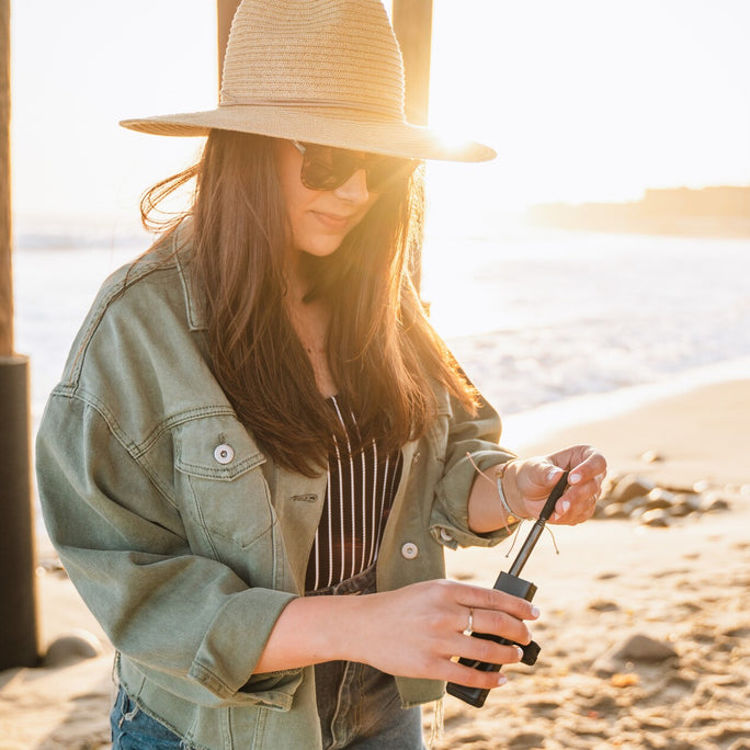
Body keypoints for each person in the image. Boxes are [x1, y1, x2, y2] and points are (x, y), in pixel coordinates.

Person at [35, 1, 606, 749]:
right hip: (215, 731)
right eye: (328, 159)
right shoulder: (138, 327)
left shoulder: (377, 292)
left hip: (382, 714)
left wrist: (512, 487)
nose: (355, 194)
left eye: (383, 165)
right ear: (247, 149)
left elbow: (440, 458)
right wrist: (363, 625)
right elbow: (134, 591)